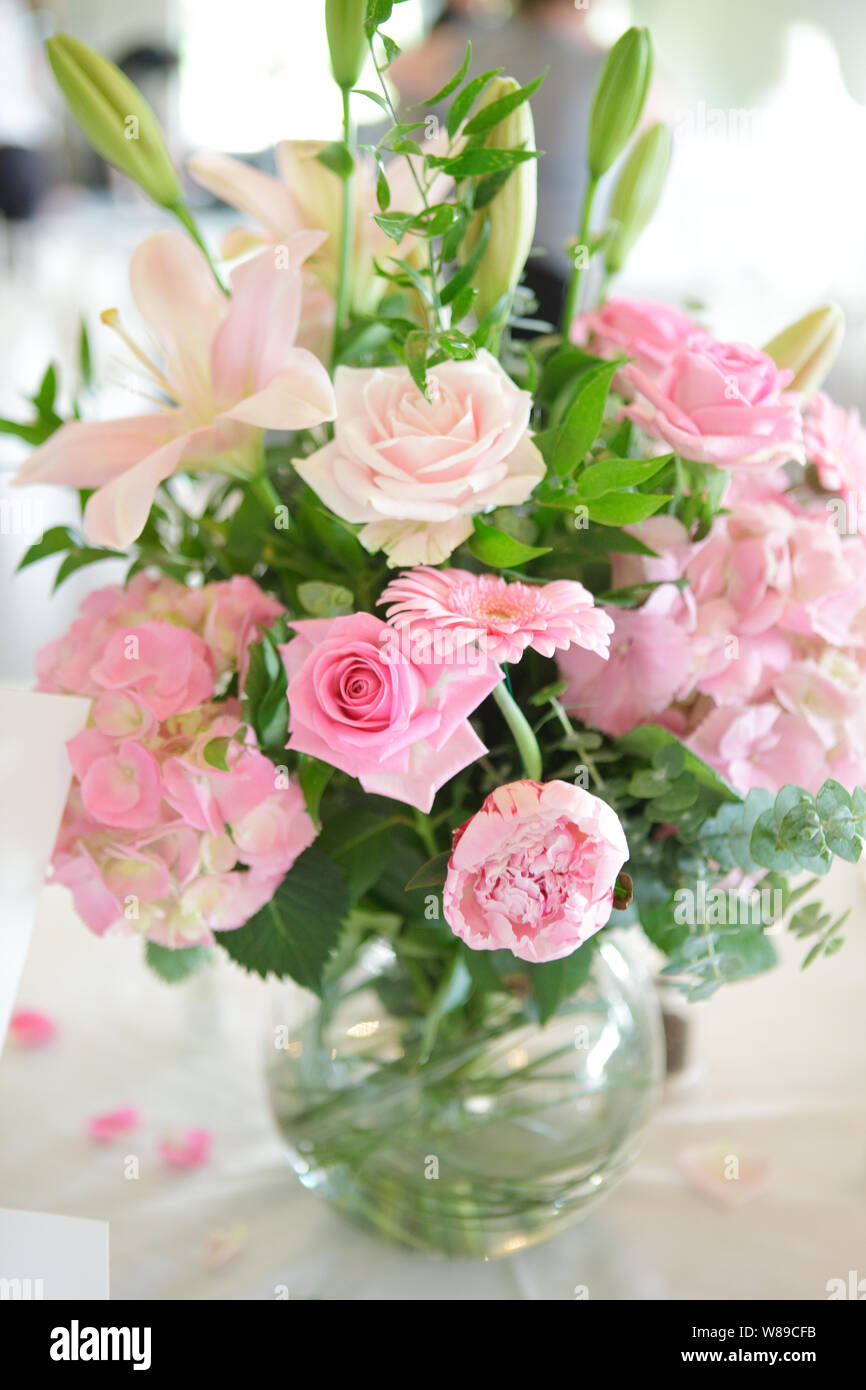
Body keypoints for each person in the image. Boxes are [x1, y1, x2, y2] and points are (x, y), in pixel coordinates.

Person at [391, 0, 607, 325]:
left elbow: (399, 79)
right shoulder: (604, 69)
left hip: (464, 260)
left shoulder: (464, 47)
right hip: (561, 274)